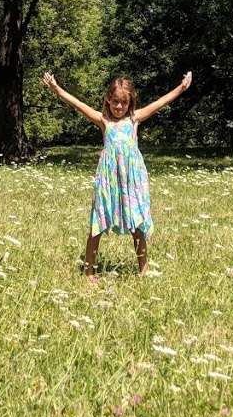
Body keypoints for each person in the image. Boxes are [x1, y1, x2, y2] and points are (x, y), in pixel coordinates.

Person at [41, 69, 193, 280]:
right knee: (98, 223)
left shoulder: (134, 120)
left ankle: (144, 270)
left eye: (124, 103)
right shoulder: (104, 121)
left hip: (131, 182)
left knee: (137, 225)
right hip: (109, 181)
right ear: (108, 100)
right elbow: (78, 104)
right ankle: (89, 272)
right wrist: (56, 89)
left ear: (130, 103)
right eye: (115, 102)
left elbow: (160, 103)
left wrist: (181, 88)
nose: (119, 107)